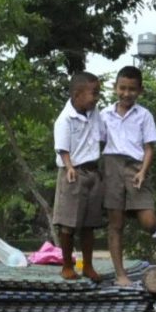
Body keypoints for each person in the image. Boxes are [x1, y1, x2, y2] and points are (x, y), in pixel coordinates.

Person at [100, 65, 156, 287]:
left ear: (140, 90)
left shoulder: (144, 115)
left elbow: (149, 147)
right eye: (122, 88)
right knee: (116, 223)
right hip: (112, 166)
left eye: (132, 89)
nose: (126, 94)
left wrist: (143, 171)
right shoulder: (104, 115)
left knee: (148, 221)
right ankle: (120, 273)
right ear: (115, 88)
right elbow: (97, 141)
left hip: (136, 168)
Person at [52, 72, 105, 283]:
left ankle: (88, 266)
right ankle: (67, 265)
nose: (97, 98)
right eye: (94, 93)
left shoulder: (94, 112)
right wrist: (69, 166)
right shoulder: (65, 119)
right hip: (73, 172)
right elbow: (62, 148)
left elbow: (101, 134)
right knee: (69, 222)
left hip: (92, 171)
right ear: (77, 94)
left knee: (89, 223)